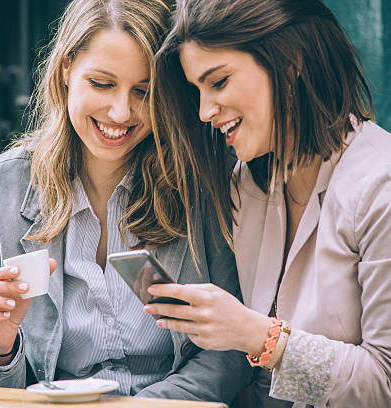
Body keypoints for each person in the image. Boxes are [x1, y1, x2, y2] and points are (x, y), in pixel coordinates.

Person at [0, 0, 253, 402]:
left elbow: (230, 355)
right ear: (66, 70)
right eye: (101, 84)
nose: (121, 112)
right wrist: (0, 346)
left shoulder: (208, 180)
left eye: (144, 91)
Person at [145, 0, 391, 406]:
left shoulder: (378, 186)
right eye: (197, 91)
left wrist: (259, 336)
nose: (205, 111)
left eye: (218, 82)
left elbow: (384, 383)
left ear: (290, 62)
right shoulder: (249, 184)